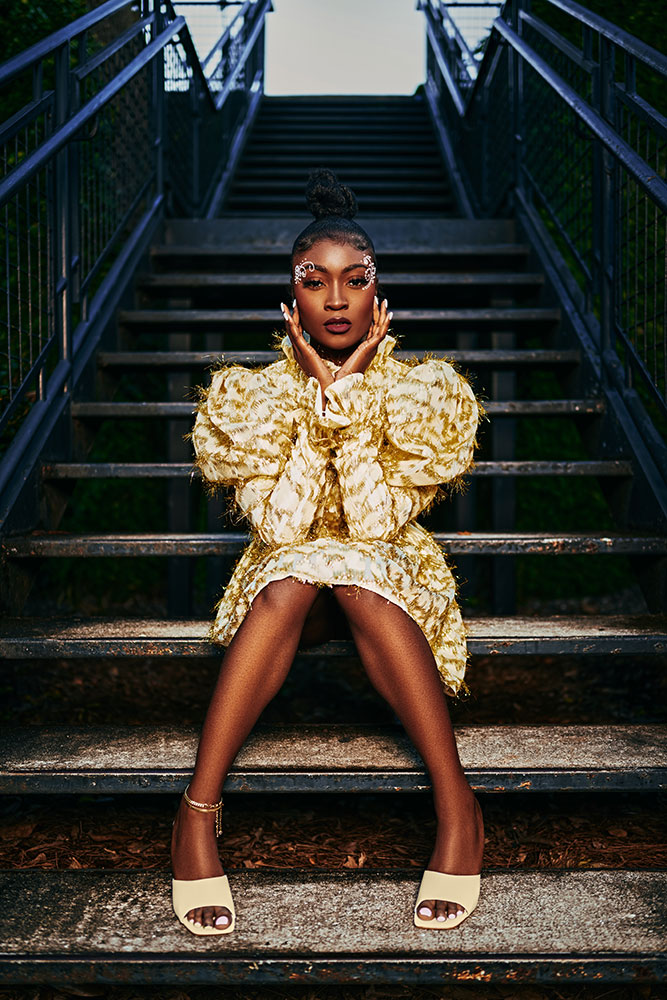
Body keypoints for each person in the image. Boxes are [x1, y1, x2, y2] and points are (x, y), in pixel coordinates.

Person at [171, 168, 486, 935]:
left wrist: (346, 397)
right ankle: (195, 814)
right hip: (284, 595)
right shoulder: (248, 397)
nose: (336, 300)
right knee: (296, 573)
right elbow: (280, 532)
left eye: (355, 281)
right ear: (292, 299)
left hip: (390, 587)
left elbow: (375, 529)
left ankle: (457, 807)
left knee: (352, 574)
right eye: (315, 283)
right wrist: (320, 402)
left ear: (379, 292)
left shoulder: (425, 392)